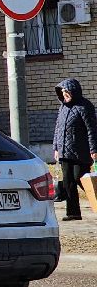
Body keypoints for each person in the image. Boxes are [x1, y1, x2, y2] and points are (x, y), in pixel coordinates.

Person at [51, 78, 97, 221]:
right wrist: (56, 148)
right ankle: (73, 213)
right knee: (68, 182)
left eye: (67, 91)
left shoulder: (85, 106)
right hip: (64, 152)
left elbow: (92, 129)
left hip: (81, 151)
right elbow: (58, 129)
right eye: (63, 92)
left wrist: (94, 148)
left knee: (80, 178)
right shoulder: (63, 108)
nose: (65, 94)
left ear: (74, 91)